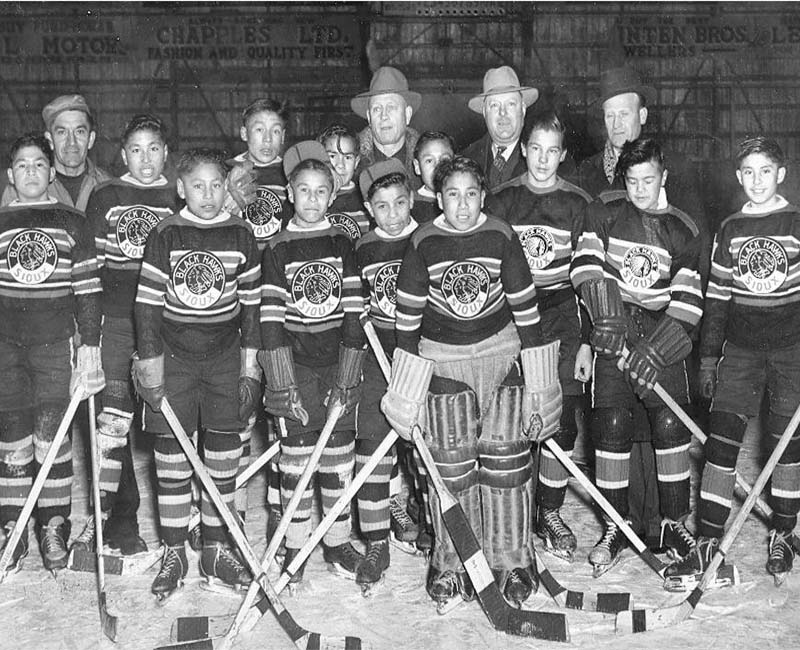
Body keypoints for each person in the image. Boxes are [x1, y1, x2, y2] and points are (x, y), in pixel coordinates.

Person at [389, 155, 561, 609]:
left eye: (470, 194)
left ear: (482, 195)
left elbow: (528, 314)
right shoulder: (423, 241)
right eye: (451, 194)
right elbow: (406, 325)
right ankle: (453, 564)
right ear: (437, 196)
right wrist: (405, 391)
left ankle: (512, 561)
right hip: (443, 362)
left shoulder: (501, 235)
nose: (462, 205)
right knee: (450, 466)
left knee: (506, 462)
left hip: (501, 355)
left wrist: (540, 385)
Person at [666, 136, 800, 585]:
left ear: (780, 173)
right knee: (721, 444)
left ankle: (783, 531)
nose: (757, 181)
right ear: (738, 177)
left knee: (786, 445)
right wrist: (707, 359)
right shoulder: (729, 229)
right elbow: (718, 301)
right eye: (748, 172)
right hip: (740, 352)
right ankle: (708, 542)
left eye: (766, 171)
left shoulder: (796, 223)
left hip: (790, 352)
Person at [570, 137, 703, 575]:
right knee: (610, 422)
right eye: (632, 180)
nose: (640, 189)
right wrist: (605, 317)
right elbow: (586, 265)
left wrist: (659, 348)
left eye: (649, 179)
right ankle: (616, 523)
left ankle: (673, 522)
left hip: (659, 329)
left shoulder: (683, 228)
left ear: (664, 176)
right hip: (615, 325)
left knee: (668, 424)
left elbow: (688, 299)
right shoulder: (604, 210)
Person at [134, 148, 261, 600]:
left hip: (225, 356)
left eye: (216, 185)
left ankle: (214, 549)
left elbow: (251, 306)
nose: (208, 195)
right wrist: (149, 362)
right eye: (198, 186)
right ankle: (174, 551)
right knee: (171, 457)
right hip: (175, 357)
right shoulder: (165, 234)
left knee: (223, 456)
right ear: (181, 188)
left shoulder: (241, 233)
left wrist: (250, 366)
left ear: (227, 187)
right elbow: (147, 304)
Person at [485, 111, 593, 562]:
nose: (544, 159)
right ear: (524, 149)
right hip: (513, 315)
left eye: (554, 151)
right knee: (510, 414)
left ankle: (548, 510)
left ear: (563, 155)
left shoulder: (578, 202)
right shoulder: (503, 198)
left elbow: (589, 276)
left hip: (561, 315)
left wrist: (586, 339)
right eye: (537, 149)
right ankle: (510, 510)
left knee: (559, 414)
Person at [259, 141, 366, 586]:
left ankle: (337, 541)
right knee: (297, 460)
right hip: (296, 367)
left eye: (322, 192)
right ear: (289, 193)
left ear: (333, 192)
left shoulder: (344, 243)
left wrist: (347, 376)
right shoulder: (277, 248)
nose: (312, 200)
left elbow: (355, 312)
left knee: (338, 457)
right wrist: (282, 384)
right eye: (304, 191)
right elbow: (270, 321)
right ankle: (296, 543)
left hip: (334, 362)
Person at [70, 115, 177, 560]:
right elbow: (90, 266)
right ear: (122, 154)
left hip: (164, 327)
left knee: (170, 423)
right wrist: (89, 332)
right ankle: (113, 521)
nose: (146, 158)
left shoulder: (178, 194)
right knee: (112, 426)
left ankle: (184, 524)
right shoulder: (107, 194)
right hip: (116, 322)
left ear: (166, 152)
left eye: (154, 148)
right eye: (136, 149)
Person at [0, 133, 104, 575]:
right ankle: (11, 525)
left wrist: (90, 346)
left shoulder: (73, 222)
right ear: (10, 175)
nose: (31, 172)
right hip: (6, 346)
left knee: (52, 433)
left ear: (52, 171)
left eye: (39, 165)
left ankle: (53, 524)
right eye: (22, 166)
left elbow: (87, 289)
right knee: (11, 434)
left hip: (54, 344)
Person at [352, 159, 420, 592]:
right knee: (372, 445)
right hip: (377, 358)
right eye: (382, 206)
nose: (392, 214)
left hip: (419, 357)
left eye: (399, 203)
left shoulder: (427, 239)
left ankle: (434, 524)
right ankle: (377, 540)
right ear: (368, 208)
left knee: (424, 442)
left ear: (412, 200)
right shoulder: (360, 248)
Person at [460, 66, 539, 192]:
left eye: (511, 104)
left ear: (523, 109)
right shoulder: (465, 160)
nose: (503, 113)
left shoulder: (545, 160)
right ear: (485, 112)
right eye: (495, 105)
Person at [229, 98, 291, 250]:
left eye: (275, 131)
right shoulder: (225, 170)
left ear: (283, 136)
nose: (267, 139)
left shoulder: (291, 172)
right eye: (259, 130)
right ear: (244, 133)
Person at [351, 66, 422, 188]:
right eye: (377, 109)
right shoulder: (349, 166)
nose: (384, 116)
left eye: (391, 107)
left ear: (407, 114)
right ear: (369, 117)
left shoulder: (427, 163)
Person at [319, 124, 370, 240]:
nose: (340, 165)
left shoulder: (365, 198)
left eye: (347, 157)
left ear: (356, 162)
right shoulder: (315, 197)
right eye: (332, 156)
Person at [412, 131, 454, 224]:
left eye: (444, 160)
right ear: (417, 167)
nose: (437, 166)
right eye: (429, 161)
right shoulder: (410, 204)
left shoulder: (461, 199)